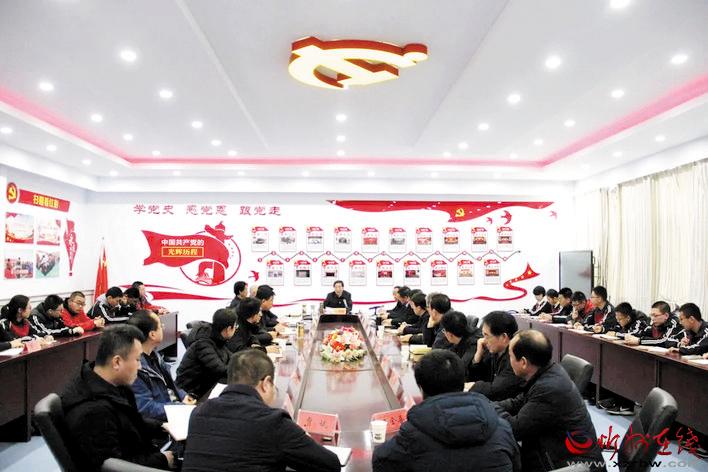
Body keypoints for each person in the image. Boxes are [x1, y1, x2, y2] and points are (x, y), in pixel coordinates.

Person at [182, 349, 341, 472]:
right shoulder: (272, 421)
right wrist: (302, 436)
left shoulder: (198, 413)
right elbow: (331, 464)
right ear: (266, 383)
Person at [372, 349, 520, 472]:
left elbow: (380, 461)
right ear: (462, 382)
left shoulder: (413, 434)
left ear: (421, 388)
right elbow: (516, 466)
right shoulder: (501, 426)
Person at [61, 325, 173, 471]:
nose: (140, 367)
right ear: (117, 362)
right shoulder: (93, 412)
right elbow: (112, 467)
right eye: (137, 360)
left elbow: (129, 422)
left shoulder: (109, 383)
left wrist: (162, 427)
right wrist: (163, 460)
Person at [496, 330, 605, 471]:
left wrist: (488, 409)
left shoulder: (548, 388)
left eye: (510, 356)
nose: (509, 361)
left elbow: (515, 429)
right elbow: (518, 402)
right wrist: (487, 405)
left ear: (523, 362)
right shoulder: (547, 371)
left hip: (572, 466)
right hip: (554, 454)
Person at [127, 310, 196, 421]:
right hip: (160, 422)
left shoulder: (155, 355)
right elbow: (146, 409)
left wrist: (183, 396)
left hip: (171, 408)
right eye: (160, 326)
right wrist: (181, 408)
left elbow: (171, 384)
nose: (163, 328)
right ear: (152, 334)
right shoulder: (135, 368)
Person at [176, 308, 236, 399]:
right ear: (228, 329)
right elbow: (220, 370)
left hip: (206, 384)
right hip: (191, 392)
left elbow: (231, 356)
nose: (236, 329)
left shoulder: (217, 338)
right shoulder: (203, 343)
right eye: (235, 326)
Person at [467, 311, 525, 401]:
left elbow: (496, 391)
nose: (483, 340)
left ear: (504, 337)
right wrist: (478, 356)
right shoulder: (494, 351)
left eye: (486, 336)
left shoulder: (515, 357)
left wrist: (473, 386)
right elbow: (476, 377)